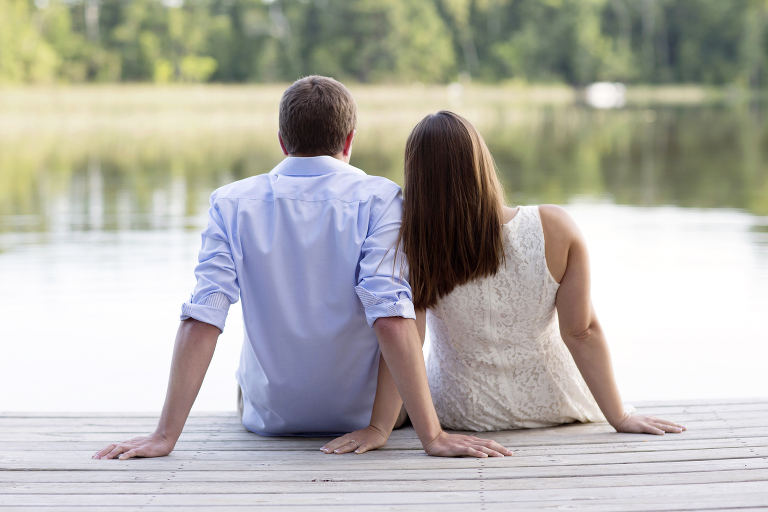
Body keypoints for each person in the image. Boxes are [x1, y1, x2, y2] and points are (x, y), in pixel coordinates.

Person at [93, 78, 511, 461]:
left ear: (282, 141)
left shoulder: (231, 202)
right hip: (363, 414)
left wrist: (164, 435)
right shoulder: (382, 199)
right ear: (349, 140)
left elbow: (204, 315)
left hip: (268, 417)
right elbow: (390, 316)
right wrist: (432, 437)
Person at [375, 111, 685, 435]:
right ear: (481, 162)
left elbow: (408, 340)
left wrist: (379, 427)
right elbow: (582, 333)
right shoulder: (555, 228)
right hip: (559, 405)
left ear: (418, 177)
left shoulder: (412, 242)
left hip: (462, 414)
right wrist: (619, 417)